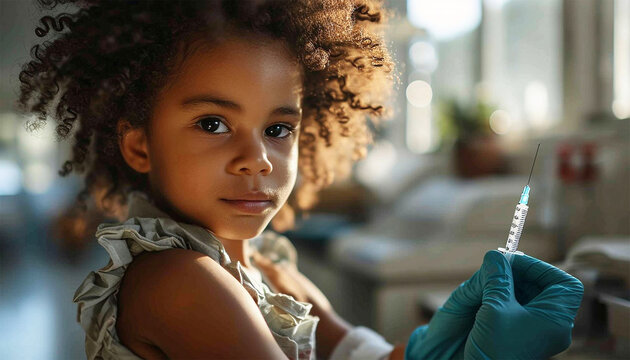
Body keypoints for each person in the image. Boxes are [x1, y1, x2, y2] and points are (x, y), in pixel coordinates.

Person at [16, 0, 584, 359]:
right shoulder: (181, 283)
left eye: (278, 128)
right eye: (213, 123)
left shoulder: (269, 269)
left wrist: (437, 346)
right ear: (139, 144)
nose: (257, 158)